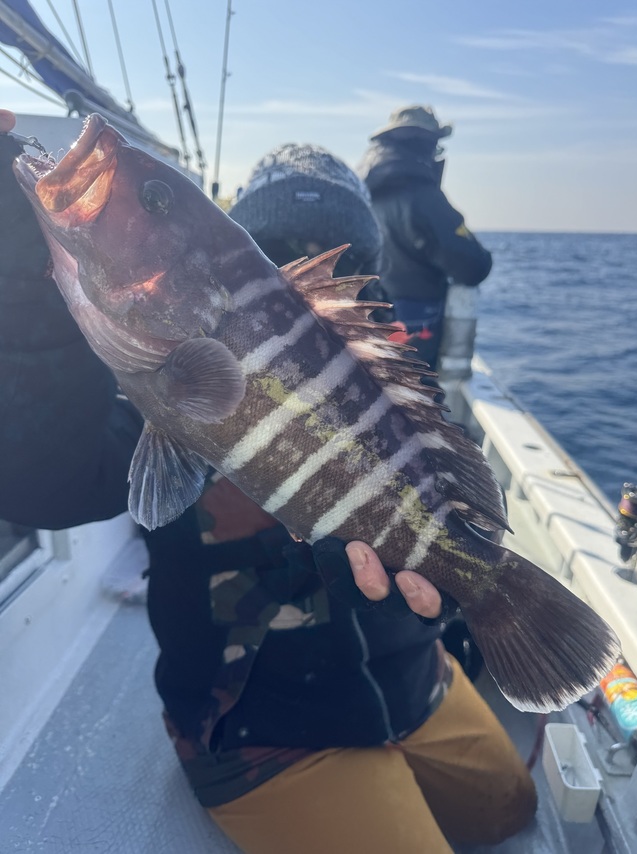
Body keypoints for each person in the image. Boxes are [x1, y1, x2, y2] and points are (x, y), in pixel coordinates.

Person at [0, 112, 536, 854]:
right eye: (272, 259)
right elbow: (47, 483)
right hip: (261, 730)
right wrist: (21, 270)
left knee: (512, 811)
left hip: (414, 679)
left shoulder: (383, 392)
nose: (297, 292)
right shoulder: (153, 385)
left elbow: (437, 499)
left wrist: (448, 588)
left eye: (338, 266)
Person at [358, 104, 493, 370]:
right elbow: (473, 266)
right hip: (416, 340)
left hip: (368, 332)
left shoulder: (361, 194)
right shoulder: (425, 198)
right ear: (427, 144)